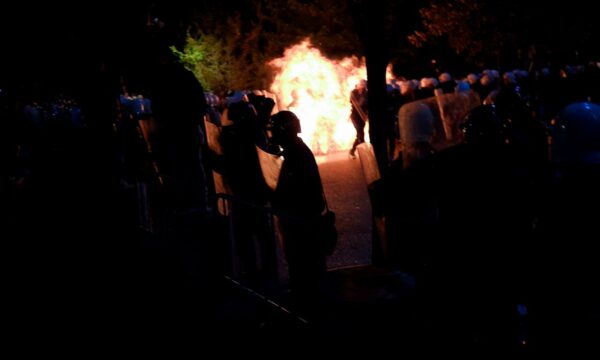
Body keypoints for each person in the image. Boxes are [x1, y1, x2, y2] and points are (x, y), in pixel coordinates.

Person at [269, 110, 326, 309]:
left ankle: (306, 306)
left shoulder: (295, 153)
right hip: (302, 216)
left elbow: (290, 189)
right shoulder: (295, 149)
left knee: (302, 264)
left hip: (301, 219)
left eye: (275, 130)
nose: (272, 134)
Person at [349, 79, 368, 157]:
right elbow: (358, 104)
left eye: (364, 85)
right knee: (360, 134)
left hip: (362, 117)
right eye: (361, 85)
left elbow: (367, 105)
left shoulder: (366, 93)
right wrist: (363, 95)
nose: (362, 86)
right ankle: (364, 154)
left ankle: (352, 151)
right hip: (355, 117)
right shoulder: (353, 93)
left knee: (359, 135)